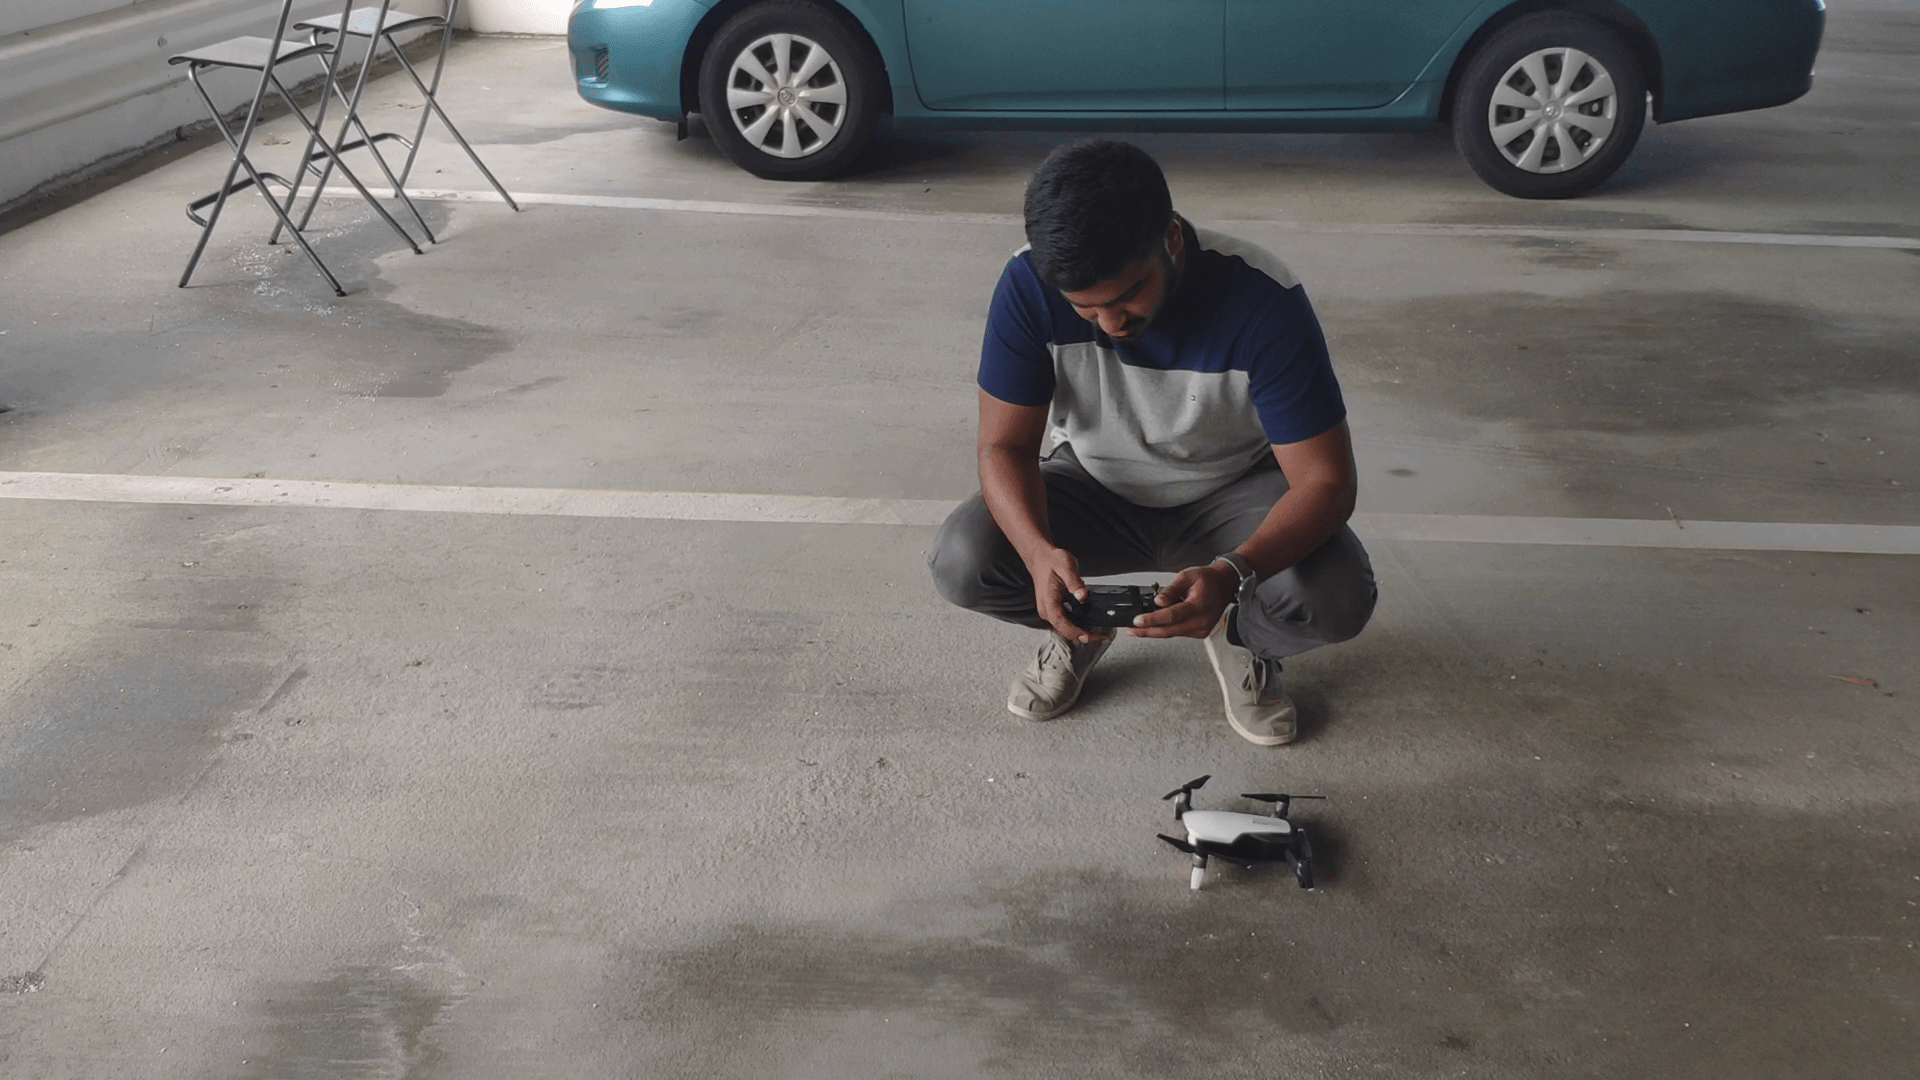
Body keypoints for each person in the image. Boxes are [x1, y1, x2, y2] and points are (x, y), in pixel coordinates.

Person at [928, 139, 1377, 746]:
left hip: (1234, 491)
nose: (1112, 324)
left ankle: (1240, 634)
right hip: (1093, 483)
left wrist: (1235, 572)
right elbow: (1003, 448)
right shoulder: (1028, 283)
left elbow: (1327, 481)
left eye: (1127, 295)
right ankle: (1080, 624)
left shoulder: (1263, 299)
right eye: (1087, 310)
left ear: (1170, 238)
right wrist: (1037, 555)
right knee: (963, 560)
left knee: (1336, 595)